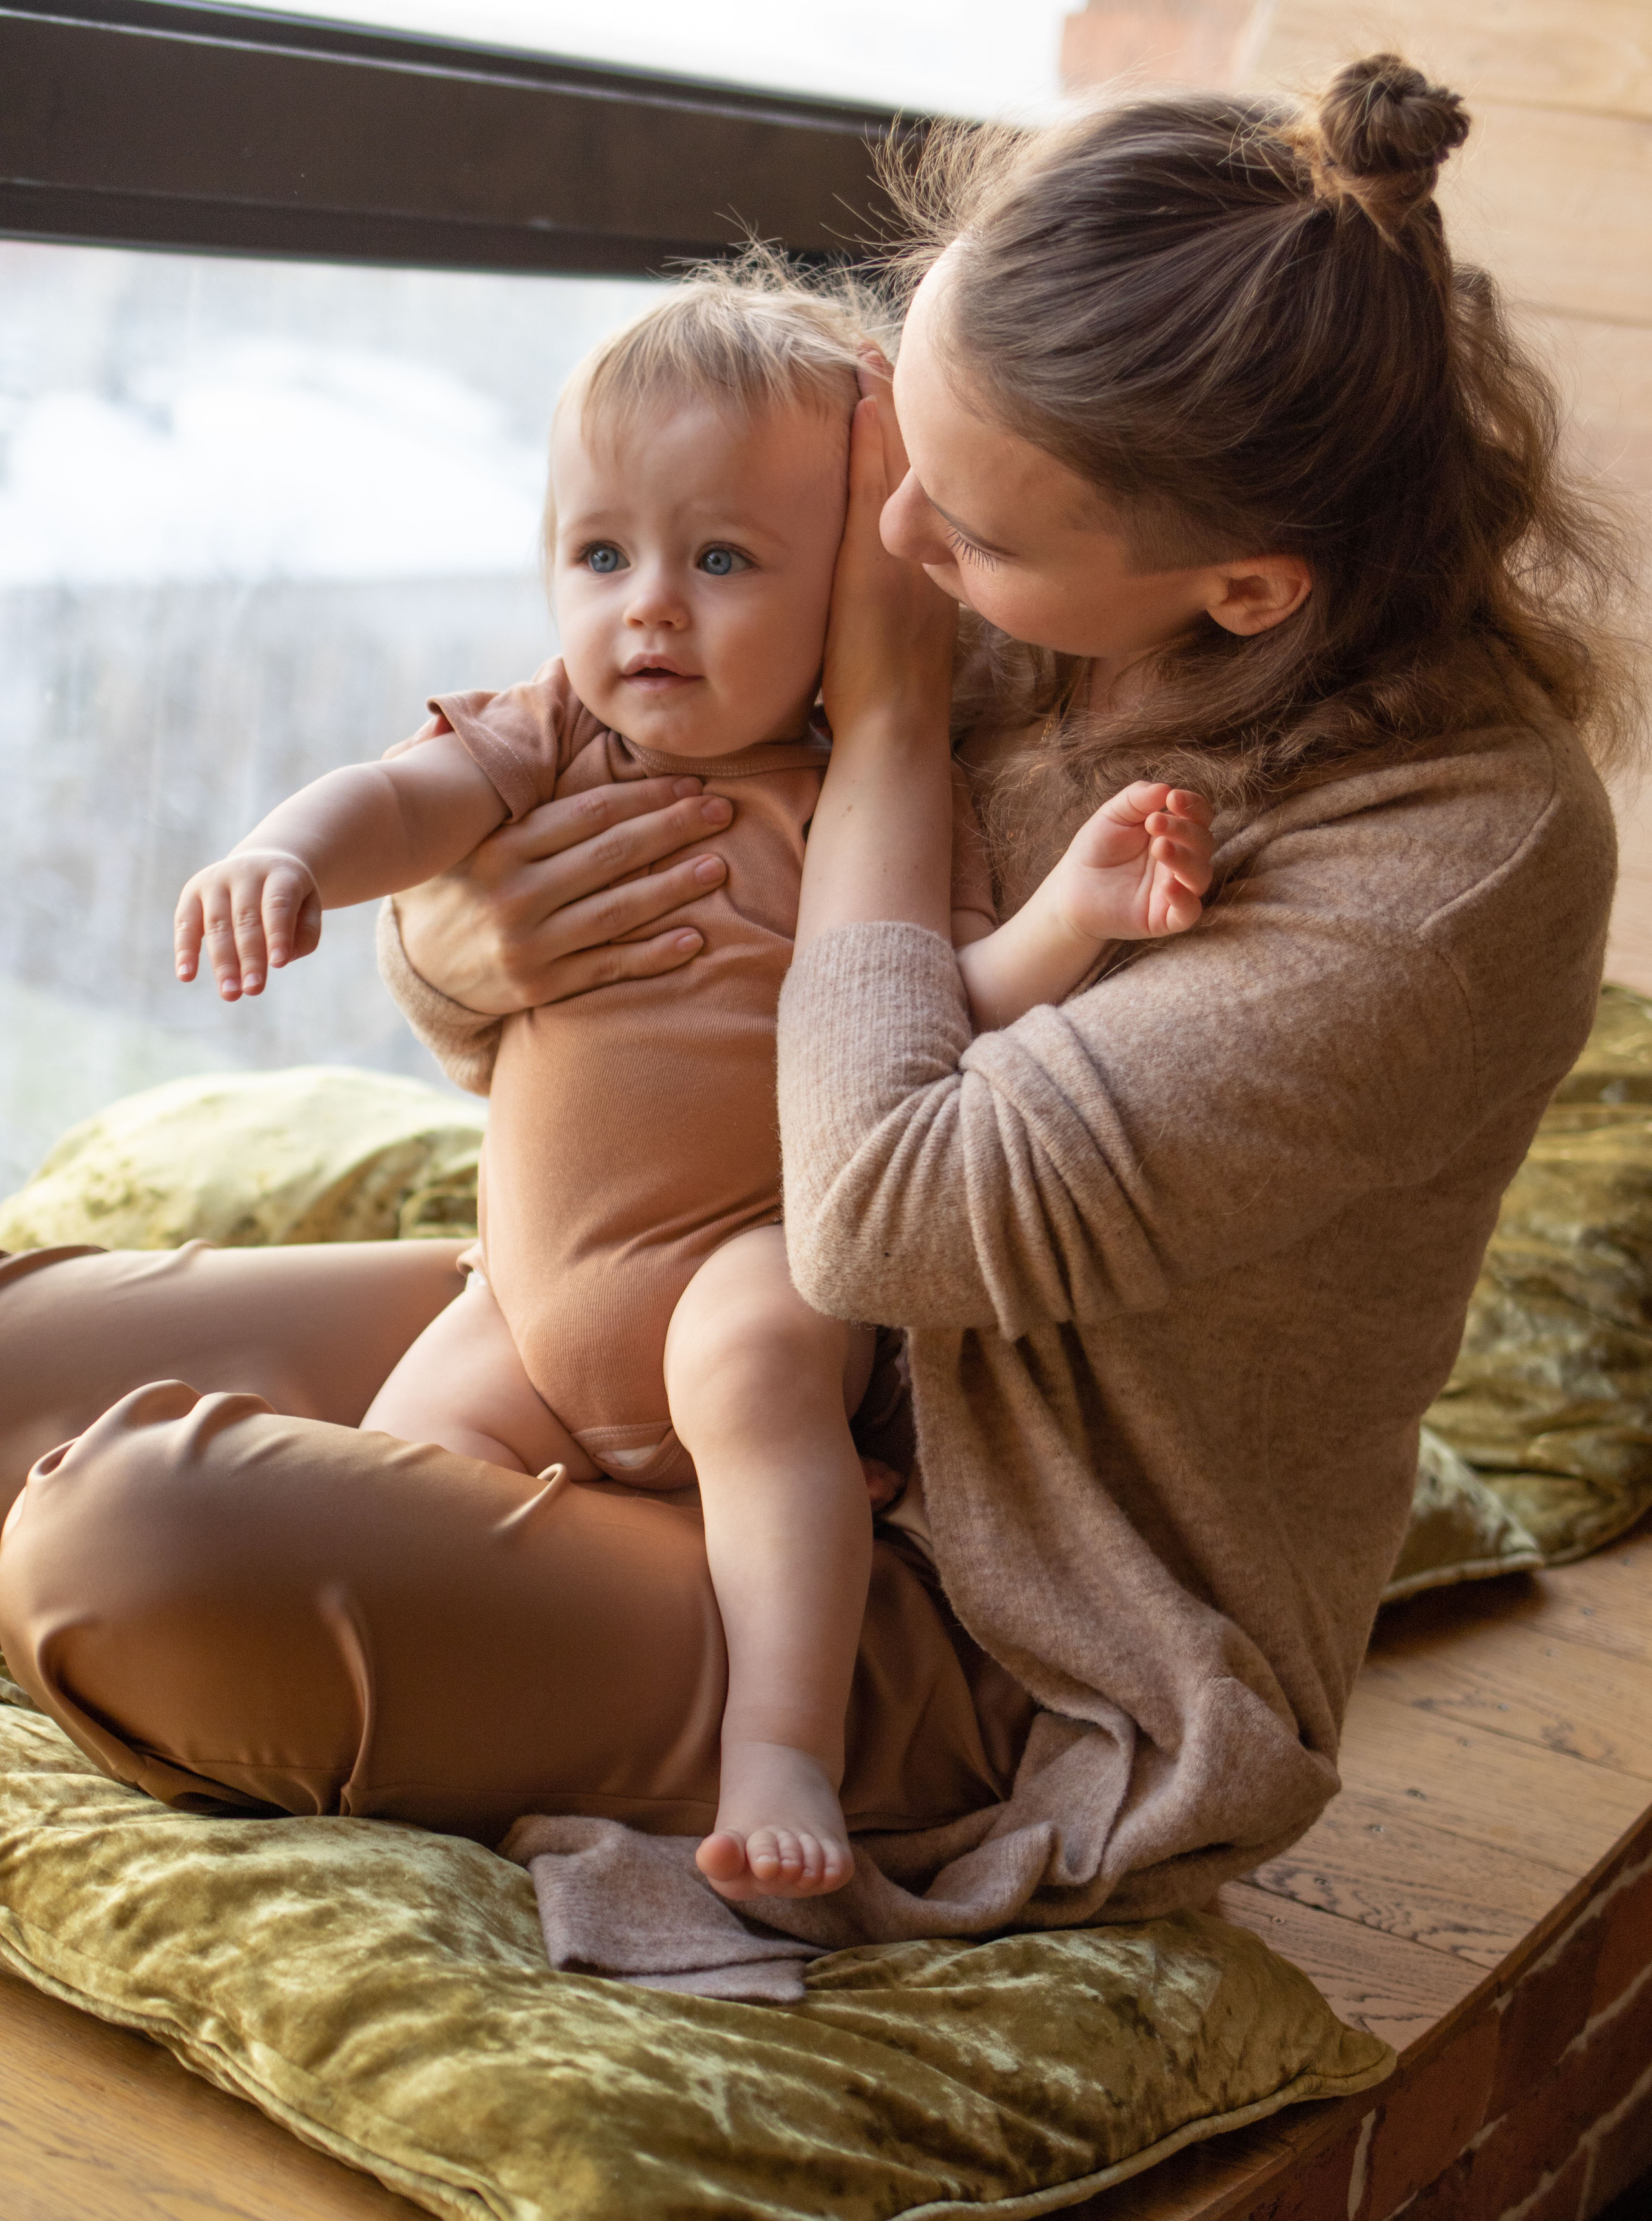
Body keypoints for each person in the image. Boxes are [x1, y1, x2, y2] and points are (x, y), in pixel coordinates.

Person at [0, 55, 1631, 1957]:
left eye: (981, 531)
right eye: (904, 460)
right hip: (618, 1297)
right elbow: (586, 865)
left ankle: (722, 1708)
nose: (906, 544)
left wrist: (882, 745)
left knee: (135, 1549)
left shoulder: (1450, 853)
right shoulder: (1008, 524)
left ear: (1250, 589)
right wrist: (478, 944)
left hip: (978, 1594)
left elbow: (881, 1215)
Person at [164, 277, 1215, 1899]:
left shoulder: (866, 804)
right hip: (523, 1311)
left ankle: (777, 1742)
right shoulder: (557, 738)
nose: (646, 608)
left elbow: (944, 1014)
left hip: (745, 1262)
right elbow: (400, 794)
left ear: (855, 599)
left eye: (720, 560)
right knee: (384, 1477)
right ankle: (431, 1713)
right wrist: (289, 852)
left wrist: (1069, 918)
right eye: (602, 555)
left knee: (746, 1357)